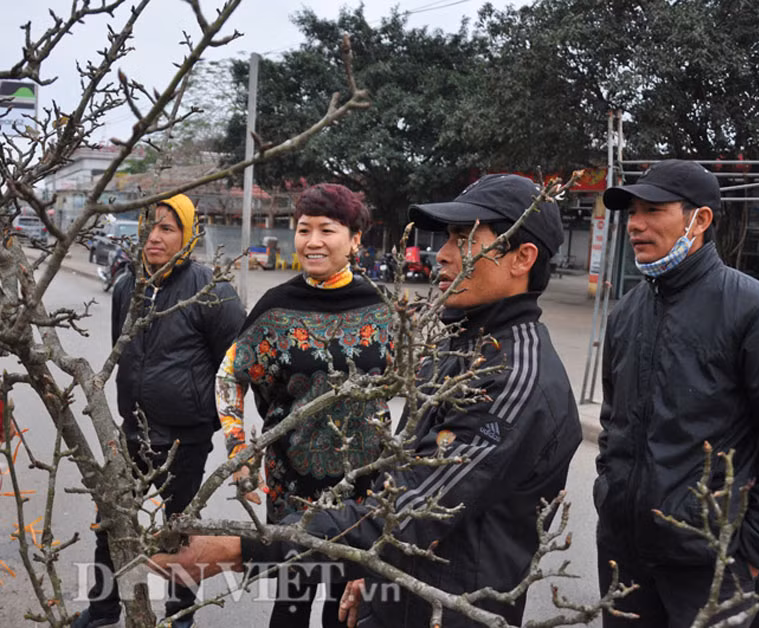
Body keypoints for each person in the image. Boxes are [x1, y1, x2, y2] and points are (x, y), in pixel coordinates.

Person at [154, 173, 583, 627]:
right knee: (292, 606)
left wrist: (235, 549)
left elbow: (419, 510)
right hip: (335, 524)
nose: (442, 253)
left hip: (445, 605)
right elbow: (408, 462)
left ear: (522, 258)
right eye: (304, 228)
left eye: (464, 238)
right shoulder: (461, 345)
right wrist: (369, 568)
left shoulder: (509, 375)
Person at [594, 160, 759, 627]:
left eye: (653, 210)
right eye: (632, 213)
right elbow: (614, 424)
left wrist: (758, 554)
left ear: (699, 220)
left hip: (714, 567)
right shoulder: (626, 313)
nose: (636, 225)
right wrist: (609, 498)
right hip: (625, 559)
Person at [215, 183, 392, 627]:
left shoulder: (382, 306)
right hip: (292, 485)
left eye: (327, 230)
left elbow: (418, 384)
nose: (312, 241)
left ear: (354, 239)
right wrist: (238, 450)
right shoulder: (277, 307)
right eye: (303, 229)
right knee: (291, 605)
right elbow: (228, 375)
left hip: (363, 490)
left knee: (347, 607)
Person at [73, 194, 246, 628]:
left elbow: (235, 367)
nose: (153, 236)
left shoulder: (212, 292)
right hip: (131, 431)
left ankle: (179, 617)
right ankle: (102, 611)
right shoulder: (127, 286)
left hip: (185, 438)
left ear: (187, 237)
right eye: (148, 226)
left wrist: (227, 434)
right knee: (111, 522)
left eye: (167, 228)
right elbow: (123, 350)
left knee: (179, 533)